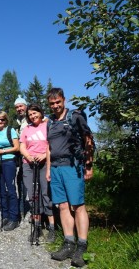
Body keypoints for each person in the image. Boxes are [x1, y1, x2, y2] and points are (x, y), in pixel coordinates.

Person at [46, 88, 94, 267]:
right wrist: (49, 169)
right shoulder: (50, 122)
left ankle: (82, 246)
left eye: (58, 102)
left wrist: (89, 165)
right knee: (63, 206)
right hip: (57, 168)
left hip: (73, 166)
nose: (55, 106)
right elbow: (49, 147)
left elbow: (88, 139)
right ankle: (68, 243)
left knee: (78, 206)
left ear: (63, 100)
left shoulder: (74, 116)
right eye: (52, 103)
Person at [20, 104, 55, 242]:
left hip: (44, 163)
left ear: (41, 113)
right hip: (29, 164)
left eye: (35, 113)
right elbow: (22, 146)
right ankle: (37, 226)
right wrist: (28, 156)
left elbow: (51, 144)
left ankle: (52, 226)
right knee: (33, 195)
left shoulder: (47, 125)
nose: (33, 116)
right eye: (30, 115)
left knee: (46, 193)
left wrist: (44, 156)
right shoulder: (27, 129)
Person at [0, 111, 20, 231]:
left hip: (9, 162)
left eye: (2, 119)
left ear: (6, 120)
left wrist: (2, 151)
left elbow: (16, 147)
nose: (0, 122)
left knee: (10, 189)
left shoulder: (11, 130)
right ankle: (5, 215)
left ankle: (14, 218)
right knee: (1, 190)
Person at [11, 95, 30, 225]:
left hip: (32, 154)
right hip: (19, 157)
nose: (19, 109)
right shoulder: (15, 121)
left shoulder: (31, 118)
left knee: (33, 184)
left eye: (21, 106)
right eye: (17, 107)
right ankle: (22, 208)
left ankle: (36, 212)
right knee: (20, 181)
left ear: (25, 106)